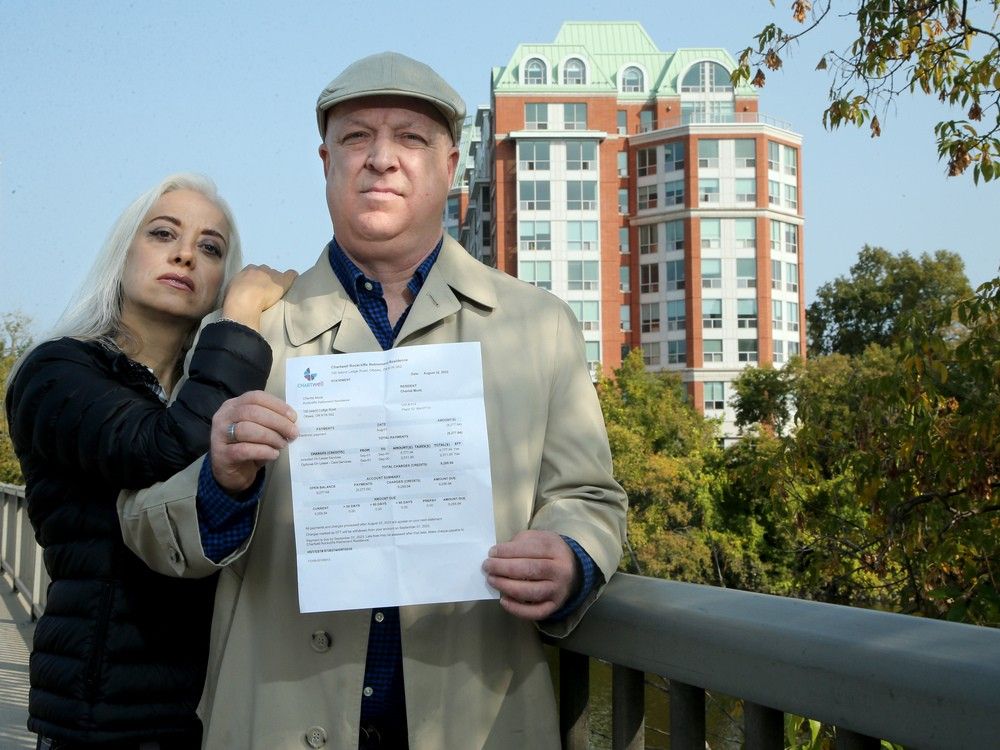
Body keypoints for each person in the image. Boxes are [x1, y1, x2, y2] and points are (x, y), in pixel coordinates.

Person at [118, 53, 627, 750]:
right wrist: (220, 483)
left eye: (411, 139)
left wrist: (571, 558)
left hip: (481, 721)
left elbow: (591, 497)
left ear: (450, 167)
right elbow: (141, 520)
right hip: (275, 723)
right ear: (326, 161)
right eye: (358, 137)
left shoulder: (540, 327)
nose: (382, 158)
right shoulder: (245, 331)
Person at [5, 173, 296, 750]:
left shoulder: (210, 382)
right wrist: (239, 317)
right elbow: (163, 451)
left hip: (219, 709)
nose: (186, 253)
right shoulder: (57, 372)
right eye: (164, 233)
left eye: (211, 248)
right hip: (106, 716)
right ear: (122, 253)